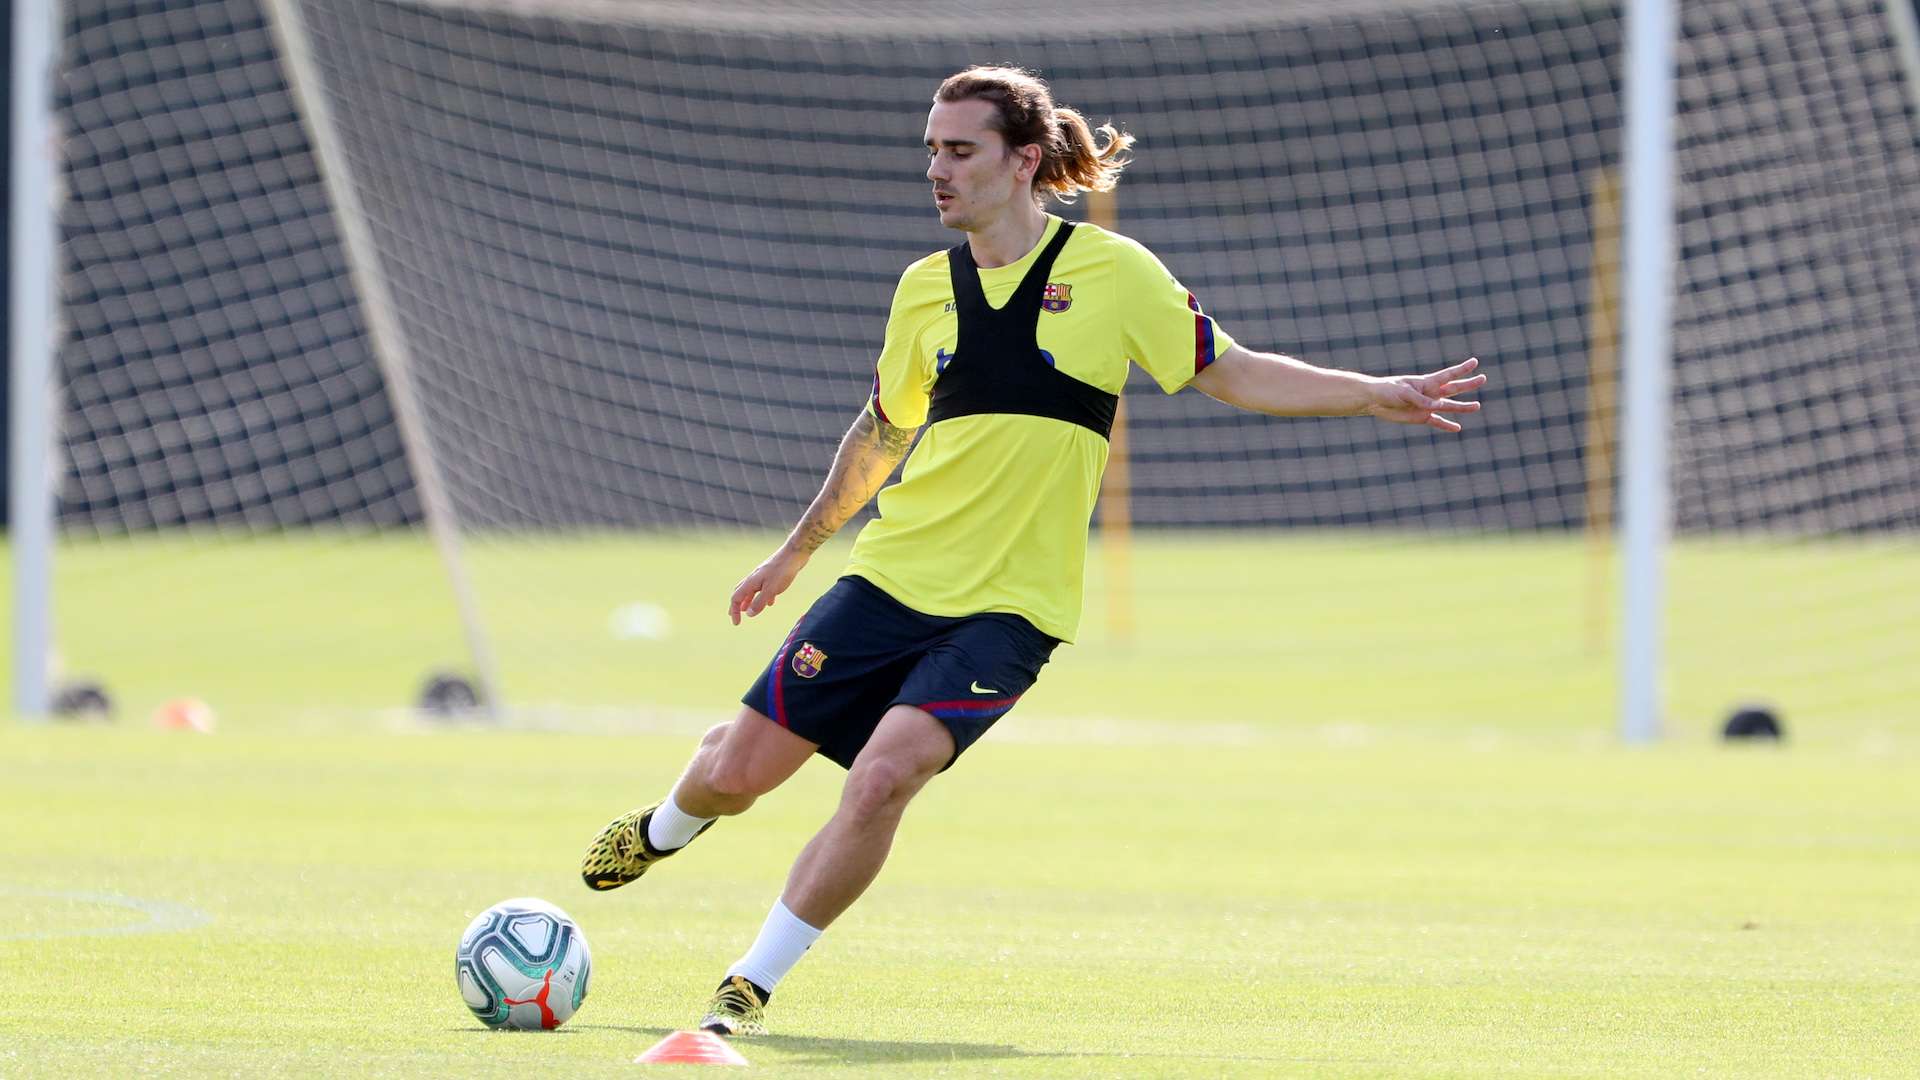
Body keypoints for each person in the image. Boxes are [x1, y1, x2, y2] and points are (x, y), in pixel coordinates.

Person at [581, 65, 1486, 1037]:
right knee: (738, 776)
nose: (937, 168)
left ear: (1023, 163)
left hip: (1012, 613)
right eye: (931, 148)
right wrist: (797, 554)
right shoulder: (923, 292)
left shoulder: (1113, 273)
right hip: (890, 583)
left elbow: (1231, 370)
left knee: (886, 774)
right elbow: (881, 435)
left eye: (959, 150)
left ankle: (748, 985)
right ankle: (665, 829)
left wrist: (1373, 391)